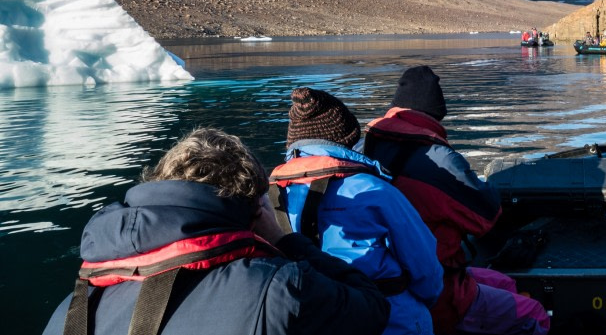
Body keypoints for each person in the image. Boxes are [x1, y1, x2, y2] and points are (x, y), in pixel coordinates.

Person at [44, 128, 390, 335]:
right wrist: (283, 239)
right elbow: (372, 309)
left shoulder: (74, 306)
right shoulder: (279, 288)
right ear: (255, 208)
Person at [361, 66, 551, 335]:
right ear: (435, 114)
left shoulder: (362, 149)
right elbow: (487, 217)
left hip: (383, 286)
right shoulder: (440, 161)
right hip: (440, 293)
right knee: (535, 314)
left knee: (504, 283)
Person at [271, 88, 444, 335]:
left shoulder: (269, 195)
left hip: (310, 318)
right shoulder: (375, 190)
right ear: (346, 138)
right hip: (389, 319)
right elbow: (425, 267)